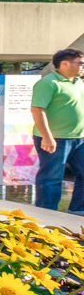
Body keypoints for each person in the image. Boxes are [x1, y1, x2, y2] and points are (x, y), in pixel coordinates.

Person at [30, 48, 84, 213]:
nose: (83, 66)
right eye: (80, 63)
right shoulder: (48, 83)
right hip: (55, 139)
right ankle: (46, 215)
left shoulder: (78, 82)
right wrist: (47, 136)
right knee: (51, 178)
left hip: (79, 138)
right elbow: (37, 109)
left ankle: (77, 210)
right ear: (65, 64)